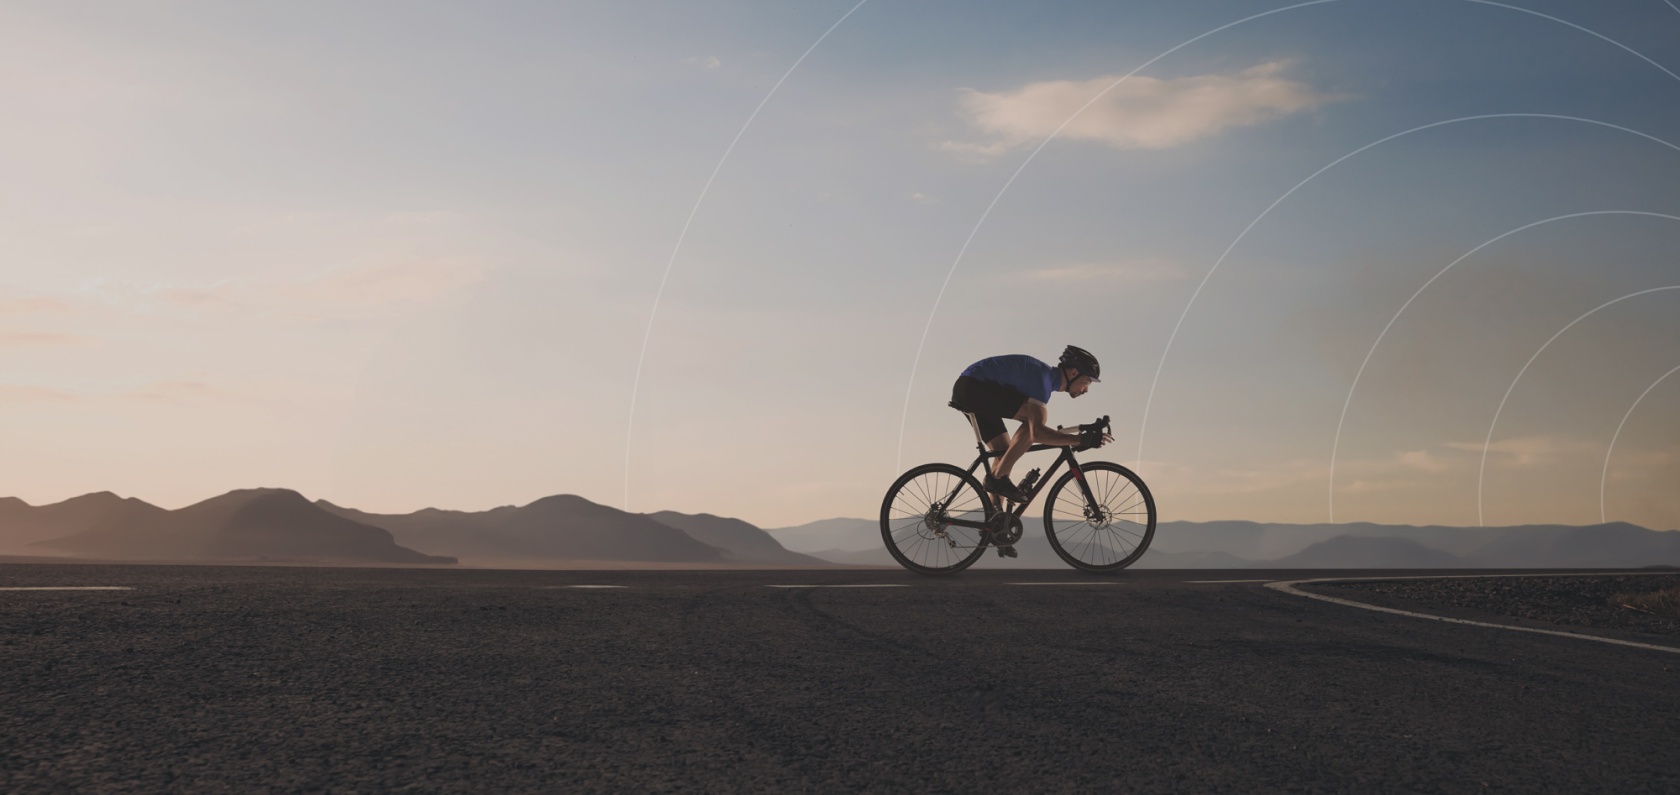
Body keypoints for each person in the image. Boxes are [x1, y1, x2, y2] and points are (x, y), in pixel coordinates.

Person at [950, 345, 1114, 503]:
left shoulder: (1044, 379)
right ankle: (999, 478)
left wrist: (1081, 433)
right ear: (1073, 373)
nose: (1086, 390)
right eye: (1087, 382)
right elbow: (1037, 433)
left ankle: (993, 523)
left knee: (1004, 453)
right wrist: (1080, 440)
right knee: (1034, 422)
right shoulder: (1043, 380)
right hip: (973, 386)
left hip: (970, 388)